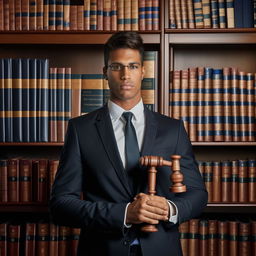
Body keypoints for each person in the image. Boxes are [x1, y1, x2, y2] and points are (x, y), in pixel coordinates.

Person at [50, 31, 208, 256]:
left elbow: (197, 194)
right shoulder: (80, 129)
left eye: (133, 66)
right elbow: (61, 205)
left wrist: (169, 209)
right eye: (117, 67)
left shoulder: (173, 130)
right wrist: (124, 213)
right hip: (102, 250)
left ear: (143, 71)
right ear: (105, 73)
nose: (125, 75)